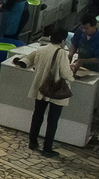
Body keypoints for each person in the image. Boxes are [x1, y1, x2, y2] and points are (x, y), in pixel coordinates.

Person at [26, 26, 73, 158]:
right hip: (56, 90)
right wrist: (72, 73)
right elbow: (65, 73)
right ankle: (47, 148)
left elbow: (36, 65)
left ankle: (33, 141)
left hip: (41, 87)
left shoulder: (41, 50)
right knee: (52, 120)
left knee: (38, 115)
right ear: (63, 41)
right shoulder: (61, 53)